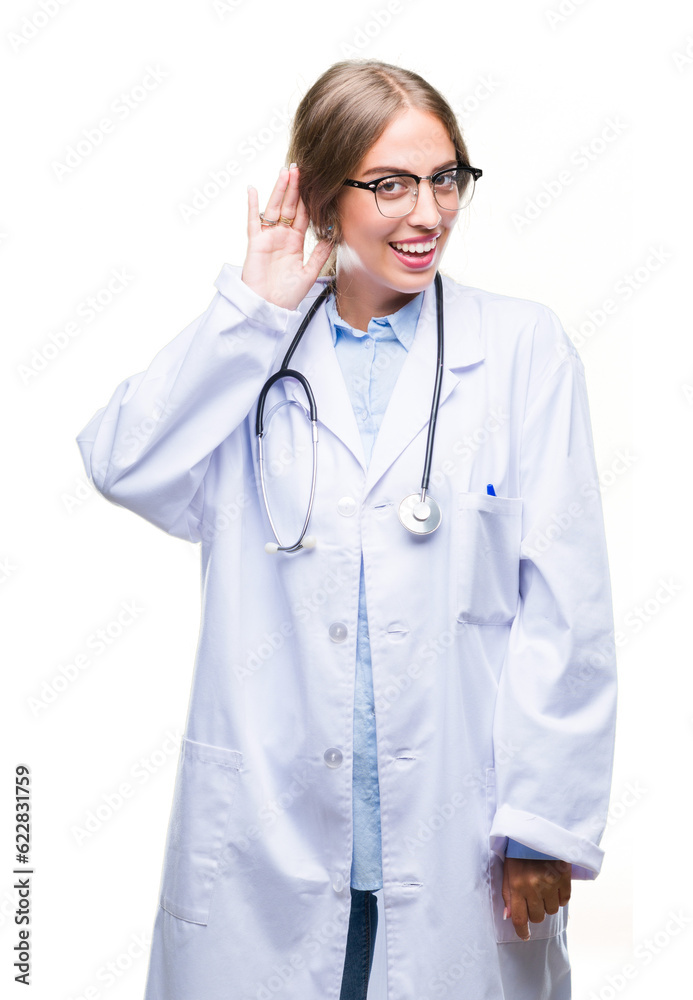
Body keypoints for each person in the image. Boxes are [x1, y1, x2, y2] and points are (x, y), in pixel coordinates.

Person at [76, 59, 618, 1000]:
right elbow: (123, 463)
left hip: (461, 839)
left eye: (446, 178)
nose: (428, 213)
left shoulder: (522, 349)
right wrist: (249, 309)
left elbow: (565, 604)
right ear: (324, 193)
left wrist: (542, 822)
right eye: (391, 184)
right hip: (264, 840)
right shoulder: (255, 350)